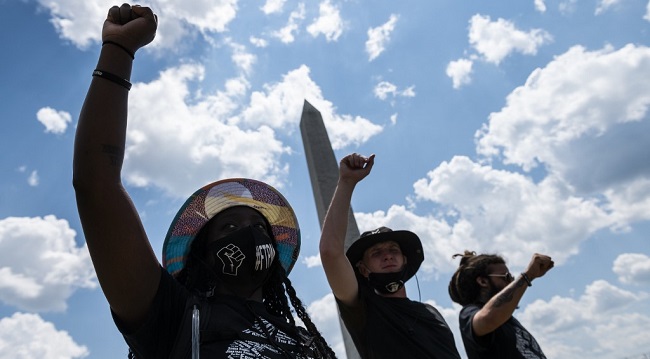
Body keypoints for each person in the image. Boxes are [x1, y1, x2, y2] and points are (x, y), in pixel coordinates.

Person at [72, 4, 336, 358]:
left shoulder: (308, 341)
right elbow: (96, 183)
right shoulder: (172, 315)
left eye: (260, 227)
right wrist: (119, 51)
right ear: (201, 254)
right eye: (229, 227)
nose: (250, 233)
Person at [318, 153, 461, 359]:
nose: (387, 256)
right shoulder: (362, 309)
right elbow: (331, 253)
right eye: (376, 253)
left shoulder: (432, 313)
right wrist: (347, 182)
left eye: (394, 250)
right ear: (363, 269)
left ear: (405, 259)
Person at [448, 251, 554, 359]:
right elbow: (487, 319)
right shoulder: (469, 313)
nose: (511, 282)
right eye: (506, 277)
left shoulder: (509, 321)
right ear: (483, 281)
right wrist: (527, 276)